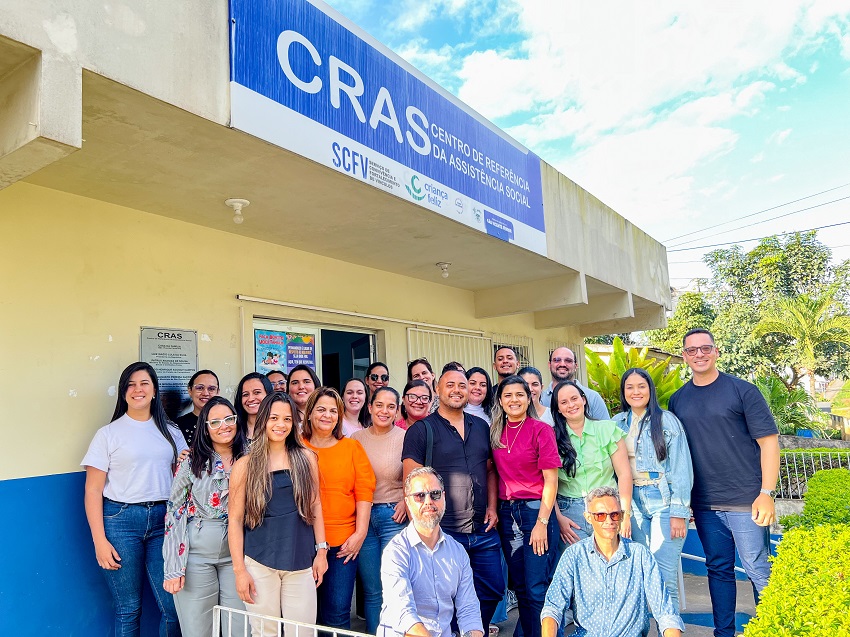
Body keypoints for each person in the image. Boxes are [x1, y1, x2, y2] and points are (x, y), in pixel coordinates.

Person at [668, 328, 780, 637]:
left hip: (747, 501)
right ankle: (724, 633)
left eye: (705, 348)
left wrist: (766, 493)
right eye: (692, 350)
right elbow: (678, 455)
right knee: (718, 570)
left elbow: (769, 443)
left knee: (758, 569)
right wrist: (685, 501)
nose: (699, 354)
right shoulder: (678, 400)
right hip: (706, 505)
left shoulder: (743, 391)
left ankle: (771, 629)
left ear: (716, 351)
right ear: (684, 356)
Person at [82, 361, 187, 637]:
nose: (137, 390)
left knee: (173, 607)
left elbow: (185, 476)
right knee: (128, 609)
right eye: (130, 385)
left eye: (144, 384)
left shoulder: (172, 432)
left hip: (165, 522)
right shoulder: (108, 434)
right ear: (123, 392)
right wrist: (99, 542)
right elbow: (93, 490)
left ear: (154, 390)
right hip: (120, 522)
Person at [402, 370, 504, 630]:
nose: (457, 390)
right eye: (450, 385)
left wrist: (493, 506)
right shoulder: (421, 430)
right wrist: (424, 530)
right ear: (437, 389)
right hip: (444, 531)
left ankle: (471, 632)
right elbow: (411, 485)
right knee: (444, 598)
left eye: (462, 385)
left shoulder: (481, 426)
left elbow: (490, 470)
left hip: (482, 528)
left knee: (493, 589)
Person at [228, 392, 328, 637]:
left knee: (303, 633)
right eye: (274, 418)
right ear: (263, 420)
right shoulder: (244, 465)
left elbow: (315, 505)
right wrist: (240, 571)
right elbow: (235, 520)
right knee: (265, 632)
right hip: (259, 562)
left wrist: (322, 551)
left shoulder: (306, 459)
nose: (280, 424)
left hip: (301, 559)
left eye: (287, 419)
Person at [541, 486, 685, 637]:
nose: (609, 521)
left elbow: (665, 612)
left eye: (614, 515)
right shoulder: (574, 555)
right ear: (588, 517)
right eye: (600, 515)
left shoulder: (640, 555)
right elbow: (553, 607)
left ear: (622, 516)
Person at [163, 396, 247, 637]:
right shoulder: (192, 461)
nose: (224, 426)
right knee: (198, 629)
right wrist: (173, 566)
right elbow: (175, 511)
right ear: (205, 427)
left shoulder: (252, 456)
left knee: (240, 627)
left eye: (229, 419)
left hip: (240, 556)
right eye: (215, 422)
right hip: (197, 556)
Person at [612, 368, 693, 611]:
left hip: (664, 500)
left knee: (664, 577)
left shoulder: (667, 420)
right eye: (630, 387)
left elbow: (681, 468)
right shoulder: (617, 423)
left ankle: (669, 627)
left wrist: (679, 512)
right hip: (632, 503)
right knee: (641, 572)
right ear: (623, 391)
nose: (635, 392)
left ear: (650, 390)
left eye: (641, 386)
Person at [490, 375, 560, 637]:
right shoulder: (494, 432)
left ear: (529, 398)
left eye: (520, 394)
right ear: (500, 401)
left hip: (534, 512)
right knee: (520, 588)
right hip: (508, 514)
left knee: (536, 588)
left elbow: (551, 480)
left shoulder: (541, 430)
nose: (514, 400)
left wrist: (542, 522)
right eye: (507, 395)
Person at [378, 467, 484, 637]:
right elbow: (403, 614)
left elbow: (469, 609)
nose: (428, 502)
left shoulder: (458, 552)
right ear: (407, 502)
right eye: (419, 496)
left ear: (444, 497)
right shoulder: (396, 552)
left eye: (435, 494)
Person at [302, 386, 376, 630]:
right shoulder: (296, 447)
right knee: (305, 616)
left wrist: (360, 533)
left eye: (333, 411)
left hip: (342, 544)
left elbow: (364, 491)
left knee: (336, 615)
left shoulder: (351, 448)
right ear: (309, 413)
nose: (327, 415)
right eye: (321, 409)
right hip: (302, 543)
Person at [351, 387, 407, 634]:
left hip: (393, 517)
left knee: (393, 585)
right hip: (362, 518)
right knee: (372, 590)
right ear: (370, 407)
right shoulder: (356, 439)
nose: (384, 411)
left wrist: (406, 500)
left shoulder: (405, 437)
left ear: (397, 410)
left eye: (391, 406)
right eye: (379, 405)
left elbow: (416, 475)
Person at [550, 380, 632, 544]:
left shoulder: (607, 429)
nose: (571, 405)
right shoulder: (551, 437)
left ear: (583, 400)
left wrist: (625, 514)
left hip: (608, 508)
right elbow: (547, 482)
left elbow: (624, 474)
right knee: (577, 560)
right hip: (570, 513)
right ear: (558, 408)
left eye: (574, 399)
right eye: (564, 402)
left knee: (614, 558)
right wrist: (559, 517)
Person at [541, 347, 609, 420]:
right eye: (557, 360)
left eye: (568, 361)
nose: (562, 364)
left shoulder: (592, 397)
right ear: (549, 365)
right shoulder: (540, 399)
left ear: (576, 366)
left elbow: (605, 426)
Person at [175, 369, 220, 444]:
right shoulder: (177, 426)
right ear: (190, 391)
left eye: (211, 389)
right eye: (200, 388)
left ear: (218, 392)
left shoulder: (228, 423)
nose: (205, 393)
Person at [235, 372, 273, 440]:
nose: (251, 399)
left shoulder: (277, 427)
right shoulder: (234, 428)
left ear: (268, 394)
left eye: (257, 392)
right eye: (245, 394)